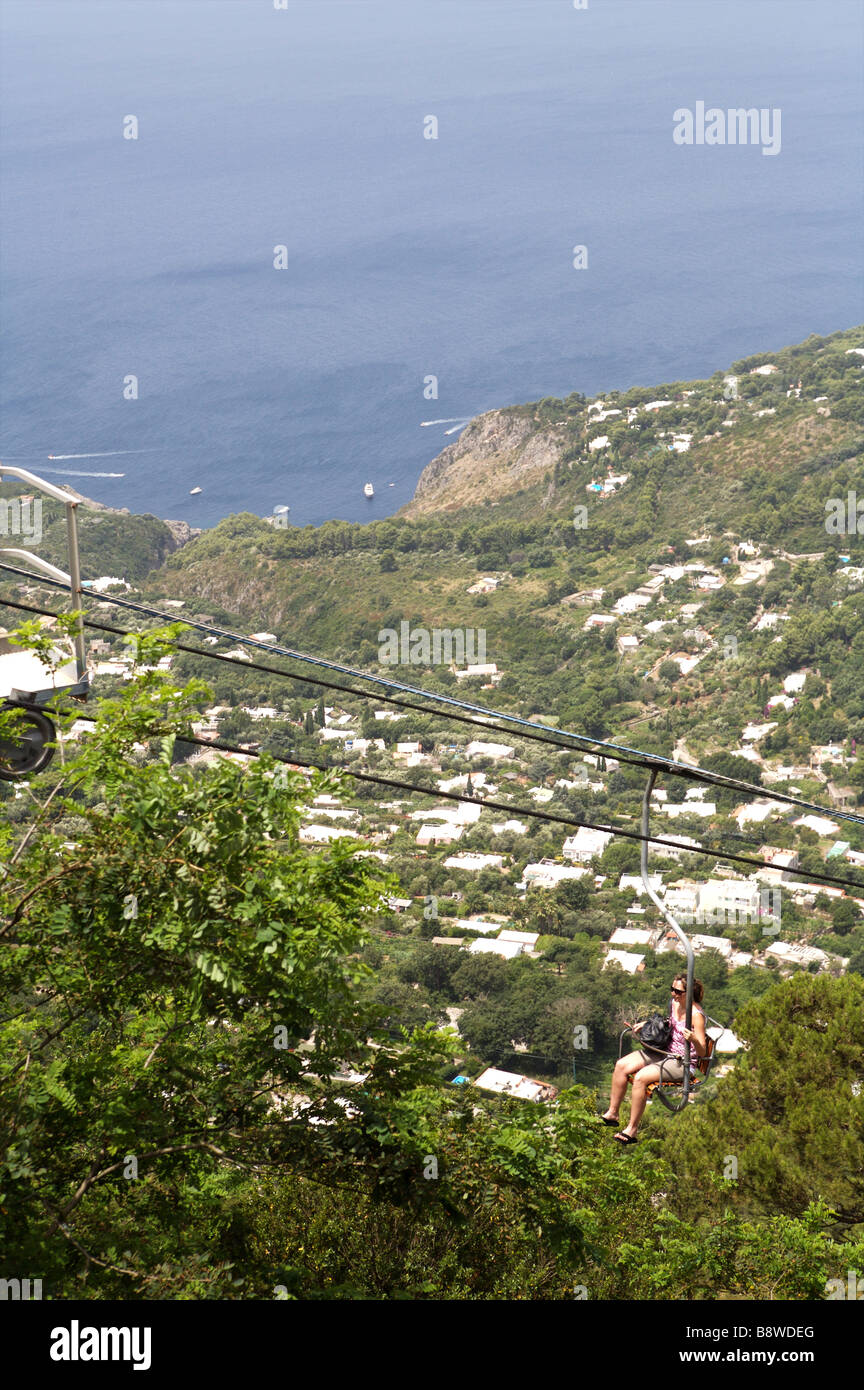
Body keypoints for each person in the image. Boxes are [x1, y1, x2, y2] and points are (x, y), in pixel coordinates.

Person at [601, 974, 708, 1145]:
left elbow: (702, 1051)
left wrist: (694, 1039)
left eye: (678, 991)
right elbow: (668, 1024)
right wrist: (647, 1024)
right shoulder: (674, 1005)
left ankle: (632, 1129)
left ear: (689, 993)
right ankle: (613, 1112)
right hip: (664, 1051)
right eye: (672, 990)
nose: (673, 994)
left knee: (641, 1077)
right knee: (621, 1065)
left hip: (682, 1062)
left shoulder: (696, 1016)